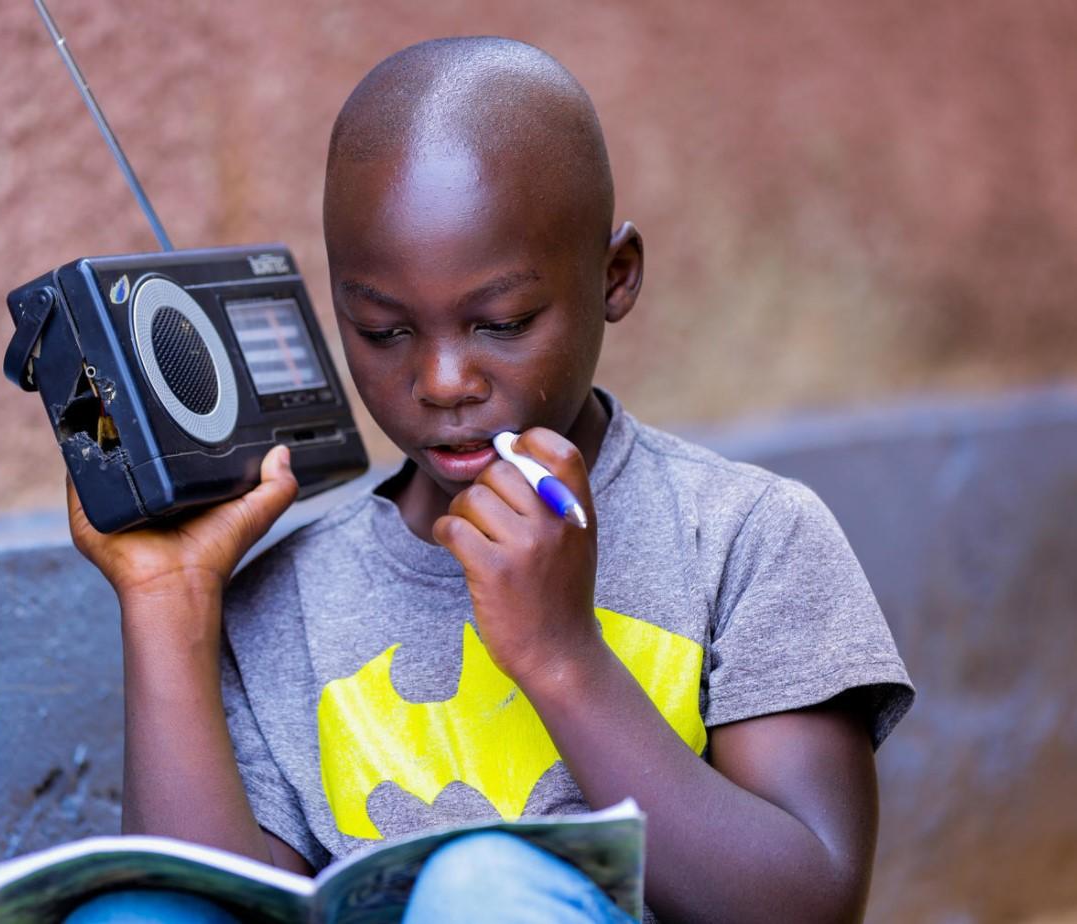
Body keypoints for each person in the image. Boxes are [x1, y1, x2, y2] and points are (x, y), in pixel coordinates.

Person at [65, 37, 913, 923]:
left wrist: (559, 654)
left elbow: (807, 906)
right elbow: (212, 909)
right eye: (383, 331)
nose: (441, 381)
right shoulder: (289, 601)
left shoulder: (743, 536)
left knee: (483, 891)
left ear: (614, 277)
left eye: (501, 322)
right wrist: (169, 604)